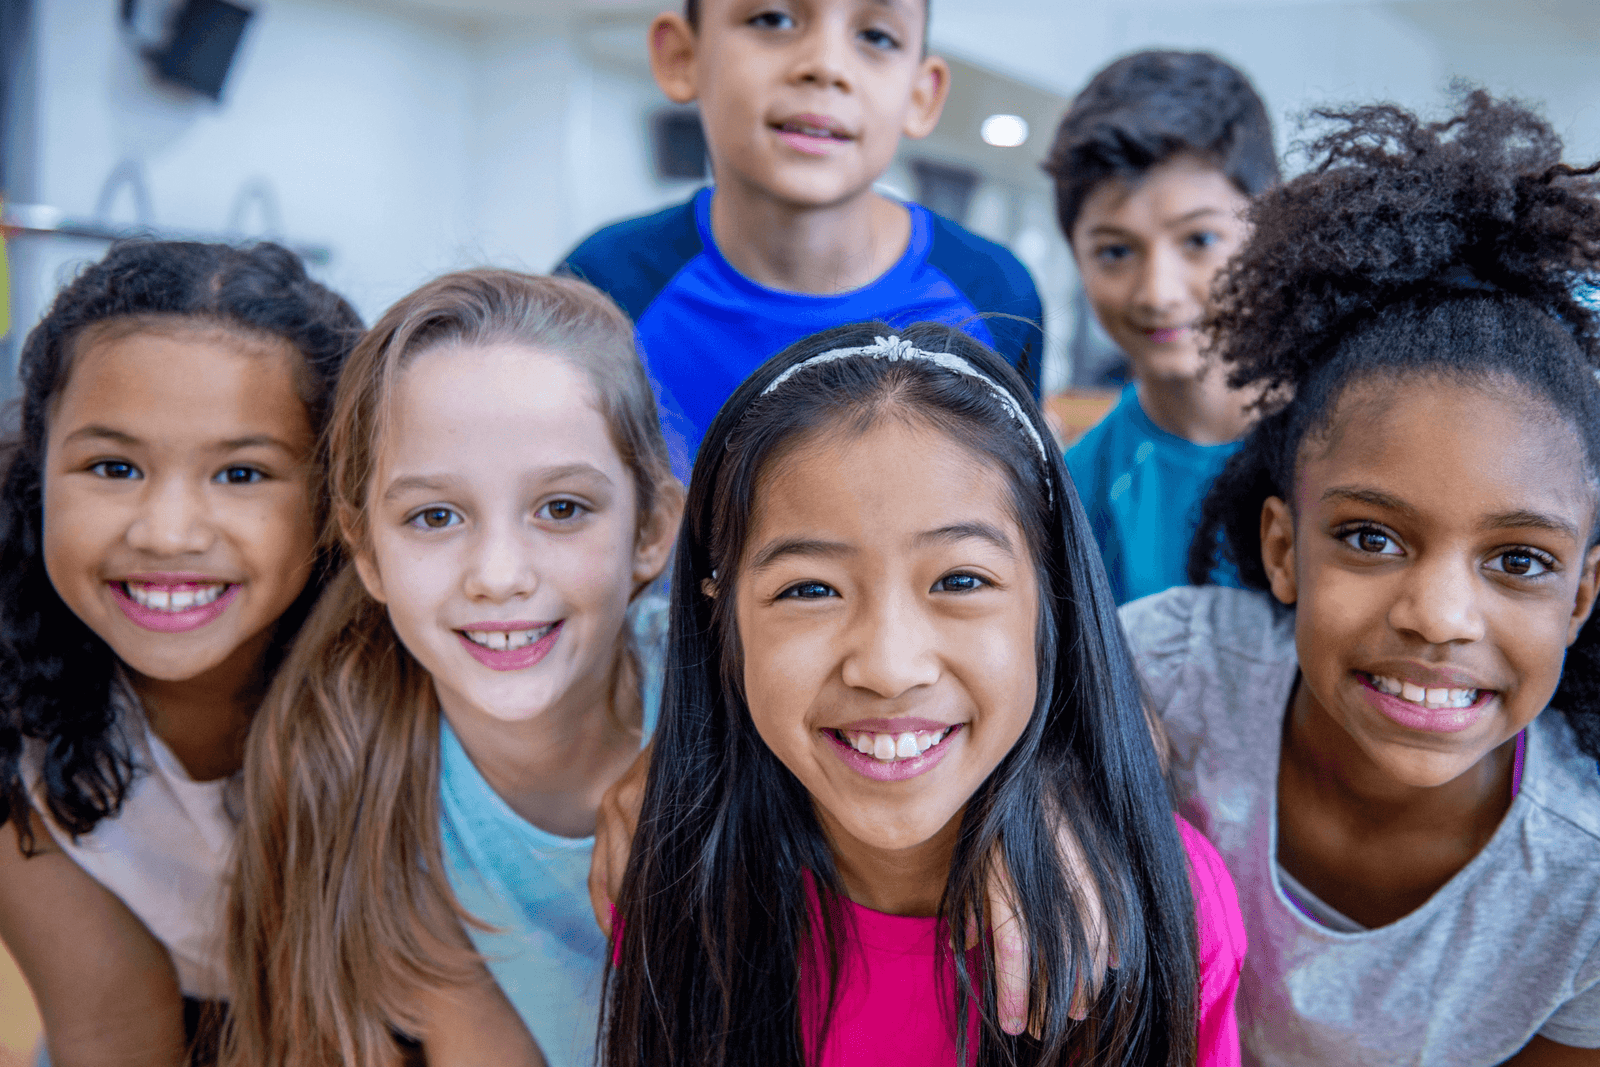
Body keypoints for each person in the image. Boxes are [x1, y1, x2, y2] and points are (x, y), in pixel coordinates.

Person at [602, 321, 1246, 1066]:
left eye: (961, 580)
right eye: (809, 589)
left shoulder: (1159, 902)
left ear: (1053, 603)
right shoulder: (677, 881)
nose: (889, 666)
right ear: (723, 619)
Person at [1147, 91, 1600, 1065]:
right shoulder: (1175, 675)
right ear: (1283, 548)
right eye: (1370, 536)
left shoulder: (1583, 882)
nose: (1438, 615)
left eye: (1519, 559)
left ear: (1581, 595)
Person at [224, 271, 684, 1067]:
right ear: (367, 551)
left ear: (650, 528)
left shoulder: (741, 710)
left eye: (562, 508)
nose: (498, 575)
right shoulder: (347, 765)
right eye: (435, 515)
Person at [0, 240, 360, 1067]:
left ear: (334, 495)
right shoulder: (12, 706)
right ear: (39, 474)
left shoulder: (408, 695)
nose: (167, 533)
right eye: (113, 466)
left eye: (241, 474)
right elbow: (111, 1024)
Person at [556, 0, 1043, 471]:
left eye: (876, 36)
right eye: (772, 18)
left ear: (921, 94)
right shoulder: (604, 287)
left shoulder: (994, 297)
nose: (826, 66)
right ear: (683, 57)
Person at [1045, 50, 1279, 604]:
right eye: (1115, 251)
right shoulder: (1080, 494)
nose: (1158, 293)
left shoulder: (1348, 440)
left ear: (1270, 225)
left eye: (1199, 240)